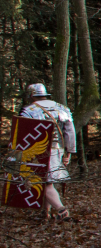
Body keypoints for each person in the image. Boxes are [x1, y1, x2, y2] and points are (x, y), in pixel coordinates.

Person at [19, 82, 76, 216]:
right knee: (49, 181)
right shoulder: (62, 108)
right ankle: (46, 212)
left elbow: (23, 135)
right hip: (58, 149)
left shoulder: (29, 111)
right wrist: (68, 153)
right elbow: (70, 132)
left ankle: (61, 210)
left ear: (32, 95)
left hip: (39, 151)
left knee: (44, 182)